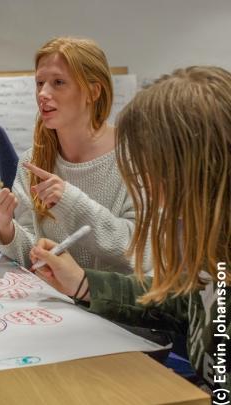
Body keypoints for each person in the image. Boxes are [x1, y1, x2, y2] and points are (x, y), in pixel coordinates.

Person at [30, 66, 230, 394]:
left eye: (149, 166)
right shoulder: (211, 238)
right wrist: (83, 284)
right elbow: (187, 304)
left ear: (185, 167)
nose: (144, 181)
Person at [0, 37, 148, 273]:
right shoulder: (32, 161)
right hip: (58, 302)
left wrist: (71, 202)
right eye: (39, 83)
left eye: (58, 82)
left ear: (93, 91)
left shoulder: (136, 158)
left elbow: (141, 254)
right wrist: (5, 227)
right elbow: (33, 255)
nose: (43, 94)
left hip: (113, 306)